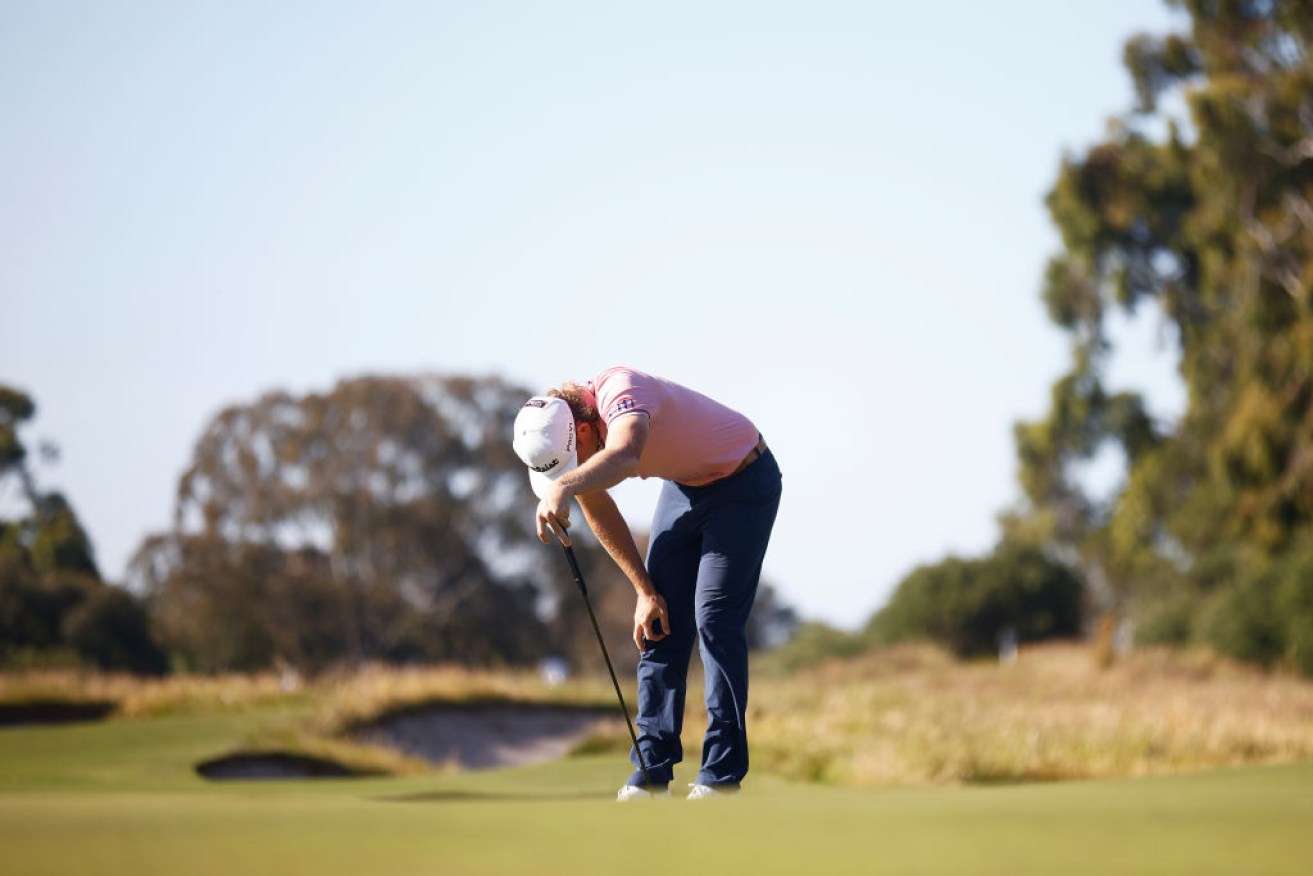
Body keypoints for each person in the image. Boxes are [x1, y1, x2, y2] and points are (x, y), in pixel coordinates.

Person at [511, 366, 782, 801]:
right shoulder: (571, 444)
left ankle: (721, 773)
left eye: (571, 461)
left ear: (582, 430)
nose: (572, 471)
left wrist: (563, 484)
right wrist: (644, 591)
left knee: (714, 617)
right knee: (659, 621)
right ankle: (651, 772)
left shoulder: (623, 391)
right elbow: (596, 505)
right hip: (687, 486)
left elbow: (626, 454)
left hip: (744, 478)